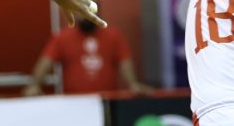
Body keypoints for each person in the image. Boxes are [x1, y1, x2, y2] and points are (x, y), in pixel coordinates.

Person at [22, 6, 151, 95]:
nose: (86, 15)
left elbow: (125, 62)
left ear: (98, 12)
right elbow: (45, 62)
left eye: (90, 11)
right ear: (74, 12)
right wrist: (35, 85)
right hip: (73, 101)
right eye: (82, 11)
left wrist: (132, 84)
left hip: (107, 100)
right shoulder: (62, 37)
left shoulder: (114, 36)